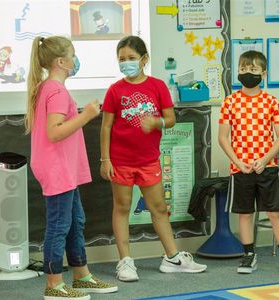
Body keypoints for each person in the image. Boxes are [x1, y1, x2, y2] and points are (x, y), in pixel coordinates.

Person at [100, 35, 207, 282]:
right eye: (122, 59)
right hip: (121, 161)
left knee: (158, 208)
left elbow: (170, 119)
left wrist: (157, 121)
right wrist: (105, 160)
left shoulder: (157, 86)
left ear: (144, 59)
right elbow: (106, 127)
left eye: (131, 58)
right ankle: (125, 261)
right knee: (122, 207)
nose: (126, 63)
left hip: (149, 160)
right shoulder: (115, 90)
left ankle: (172, 257)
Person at [25, 36, 118, 299]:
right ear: (61, 61)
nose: (76, 60)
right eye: (73, 55)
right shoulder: (55, 91)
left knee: (75, 221)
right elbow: (54, 133)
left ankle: (81, 276)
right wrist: (86, 115)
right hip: (56, 168)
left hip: (61, 167)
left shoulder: (49, 88)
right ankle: (54, 284)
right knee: (59, 225)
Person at [218, 50, 279, 275]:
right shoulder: (230, 102)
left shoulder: (271, 102)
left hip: (267, 167)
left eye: (253, 70)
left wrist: (264, 160)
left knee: (275, 212)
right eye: (243, 69)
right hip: (240, 168)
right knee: (245, 213)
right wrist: (237, 162)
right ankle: (248, 255)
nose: (247, 73)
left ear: (263, 73)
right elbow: (223, 137)